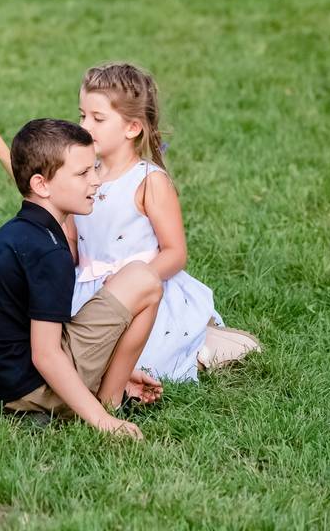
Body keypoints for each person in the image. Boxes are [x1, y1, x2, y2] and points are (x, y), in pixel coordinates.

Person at [0, 119, 164, 438]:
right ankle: (108, 403)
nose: (96, 181)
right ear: (42, 185)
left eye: (94, 167)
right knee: (145, 282)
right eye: (83, 173)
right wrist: (102, 421)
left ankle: (112, 385)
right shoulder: (48, 251)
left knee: (139, 276)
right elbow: (46, 355)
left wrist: (117, 370)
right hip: (27, 392)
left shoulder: (21, 234)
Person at [73, 63, 260, 382]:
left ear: (132, 128)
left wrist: (132, 283)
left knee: (152, 359)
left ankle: (206, 348)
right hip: (89, 290)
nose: (84, 125)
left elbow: (174, 253)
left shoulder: (148, 182)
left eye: (98, 118)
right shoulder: (81, 175)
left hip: (142, 293)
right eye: (82, 115)